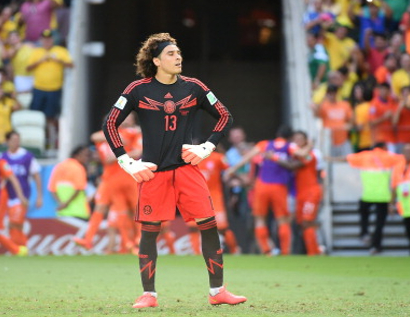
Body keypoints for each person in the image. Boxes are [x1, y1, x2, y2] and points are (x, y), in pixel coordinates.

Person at [101, 33, 245, 308]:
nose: (178, 57)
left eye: (178, 53)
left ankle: (218, 292)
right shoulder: (137, 90)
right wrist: (126, 161)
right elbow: (110, 124)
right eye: (170, 54)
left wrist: (206, 147)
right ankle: (149, 295)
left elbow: (225, 115)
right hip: (154, 172)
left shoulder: (194, 87)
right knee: (149, 232)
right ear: (156, 61)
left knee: (209, 225)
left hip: (188, 170)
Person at [225, 125, 301, 256]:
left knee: (260, 219)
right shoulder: (290, 146)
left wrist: (232, 169)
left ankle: (266, 250)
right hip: (279, 186)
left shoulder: (264, 144)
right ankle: (285, 251)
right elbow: (302, 155)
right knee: (282, 220)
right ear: (290, 137)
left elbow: (247, 158)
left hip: (261, 186)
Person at [74, 115, 141, 252]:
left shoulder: (130, 132)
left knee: (133, 210)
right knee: (104, 209)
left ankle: (136, 240)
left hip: (127, 176)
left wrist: (119, 155)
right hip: (110, 179)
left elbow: (134, 145)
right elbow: (94, 137)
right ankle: (88, 239)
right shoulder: (104, 136)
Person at [344, 143, 403, 254]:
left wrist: (328, 158)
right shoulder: (389, 156)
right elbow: (403, 159)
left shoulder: (365, 155)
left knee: (363, 214)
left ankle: (364, 233)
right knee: (379, 224)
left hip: (368, 195)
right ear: (385, 148)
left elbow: (347, 158)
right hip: (384, 197)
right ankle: (376, 246)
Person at [26, 29, 73, 147]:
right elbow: (28, 68)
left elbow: (71, 64)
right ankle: (40, 140)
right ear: (41, 40)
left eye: (49, 39)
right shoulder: (36, 52)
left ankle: (53, 141)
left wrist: (58, 60)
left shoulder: (60, 51)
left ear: (52, 40)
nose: (47, 41)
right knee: (37, 115)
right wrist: (41, 61)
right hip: (39, 88)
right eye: (44, 39)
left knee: (51, 116)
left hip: (54, 88)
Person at [0, 131, 43, 247]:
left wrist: (39, 196)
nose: (16, 142)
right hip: (6, 196)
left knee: (15, 222)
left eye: (18, 140)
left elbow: (37, 176)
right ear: (7, 141)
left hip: (22, 195)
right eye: (13, 140)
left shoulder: (27, 156)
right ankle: (19, 247)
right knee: (14, 224)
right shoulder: (2, 157)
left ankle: (19, 247)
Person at [292, 130, 324, 256]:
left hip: (311, 191)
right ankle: (314, 250)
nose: (298, 141)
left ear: (306, 141)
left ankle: (313, 252)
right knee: (301, 223)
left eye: (300, 139)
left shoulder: (310, 154)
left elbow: (295, 165)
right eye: (296, 139)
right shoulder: (294, 154)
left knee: (307, 221)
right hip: (300, 193)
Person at [48, 145, 91, 219]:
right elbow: (79, 189)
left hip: (62, 212)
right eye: (86, 155)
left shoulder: (59, 166)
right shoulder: (78, 168)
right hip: (79, 212)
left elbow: (52, 189)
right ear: (77, 155)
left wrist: (61, 203)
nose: (87, 158)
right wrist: (66, 203)